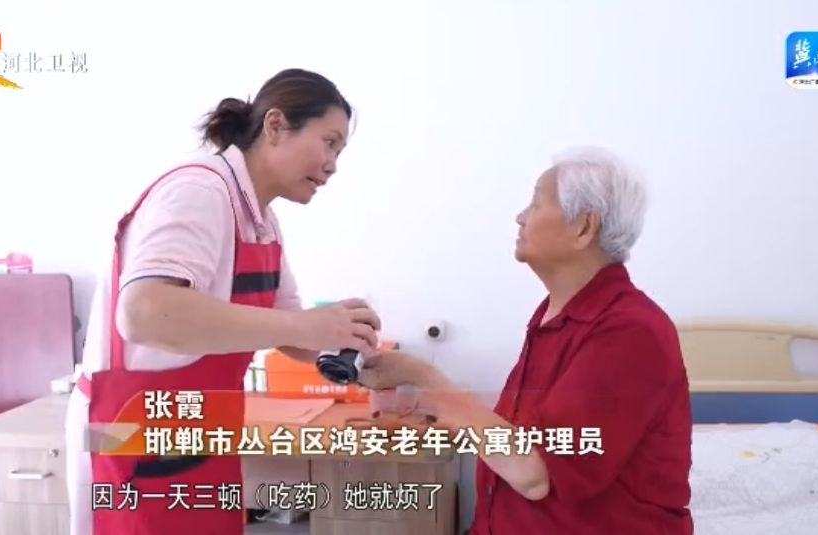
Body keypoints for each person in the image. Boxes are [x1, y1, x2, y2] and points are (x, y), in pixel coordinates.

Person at [65, 68, 382, 535]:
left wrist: (347, 341)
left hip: (202, 426)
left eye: (340, 151)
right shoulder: (199, 189)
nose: (333, 164)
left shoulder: (261, 220)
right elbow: (145, 313)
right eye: (329, 142)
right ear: (276, 125)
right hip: (133, 431)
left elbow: (292, 331)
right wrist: (307, 327)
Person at [358, 146, 693, 534]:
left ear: (583, 227)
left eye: (535, 204)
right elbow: (523, 433)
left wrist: (424, 377)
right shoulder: (556, 314)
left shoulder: (631, 332)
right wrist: (423, 400)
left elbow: (533, 473)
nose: (520, 217)